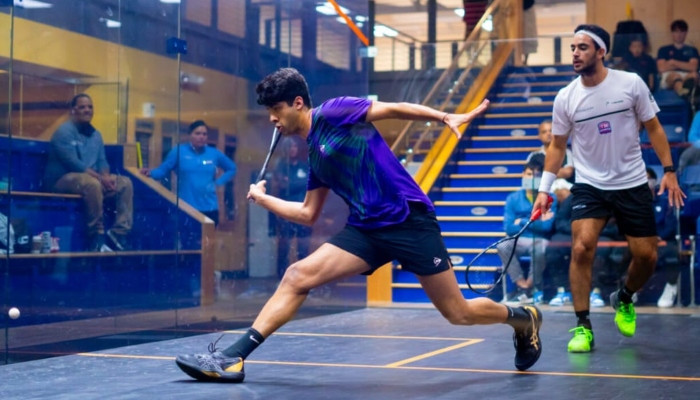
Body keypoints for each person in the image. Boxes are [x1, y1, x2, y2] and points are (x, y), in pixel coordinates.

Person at [175, 67, 543, 383]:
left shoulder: (334, 112)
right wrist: (262, 198)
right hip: (367, 230)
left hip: (409, 221)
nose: (272, 118)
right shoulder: (316, 155)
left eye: (276, 109)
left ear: (298, 103)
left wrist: (443, 117)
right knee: (297, 276)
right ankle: (232, 357)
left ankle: (522, 318)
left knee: (458, 313)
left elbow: (393, 108)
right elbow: (308, 213)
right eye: (269, 111)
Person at [532, 25, 685, 354]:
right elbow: (557, 146)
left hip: (632, 182)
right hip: (590, 184)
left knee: (647, 256)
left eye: (583, 47)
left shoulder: (630, 84)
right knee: (581, 248)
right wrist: (545, 189)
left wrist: (669, 171)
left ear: (601, 52)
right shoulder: (566, 97)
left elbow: (654, 128)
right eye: (573, 47)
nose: (575, 53)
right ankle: (583, 326)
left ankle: (624, 297)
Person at [44, 93, 133, 252]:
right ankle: (96, 235)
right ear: (73, 110)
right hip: (62, 179)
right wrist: (100, 179)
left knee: (124, 183)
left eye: (90, 107)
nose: (87, 110)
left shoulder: (96, 135)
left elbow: (102, 161)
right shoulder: (64, 132)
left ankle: (118, 233)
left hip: (91, 178)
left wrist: (106, 177)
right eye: (82, 107)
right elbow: (74, 164)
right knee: (92, 184)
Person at [140, 120, 236, 227]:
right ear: (190, 135)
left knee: (207, 238)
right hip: (186, 207)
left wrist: (218, 182)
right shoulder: (178, 151)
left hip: (209, 207)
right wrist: (150, 173)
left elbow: (232, 168)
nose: (201, 137)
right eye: (197, 133)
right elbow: (162, 171)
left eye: (204, 134)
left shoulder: (214, 153)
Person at [546, 179, 622, 308]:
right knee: (554, 247)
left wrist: (593, 231)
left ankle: (596, 291)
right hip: (573, 233)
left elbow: (618, 224)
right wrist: (579, 230)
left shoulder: (612, 197)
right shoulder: (575, 196)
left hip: (602, 234)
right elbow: (560, 221)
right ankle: (562, 290)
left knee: (602, 249)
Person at [500, 161, 556, 305]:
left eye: (537, 175)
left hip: (540, 239)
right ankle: (522, 285)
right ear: (523, 175)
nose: (532, 178)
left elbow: (547, 227)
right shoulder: (513, 198)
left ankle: (529, 286)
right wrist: (536, 221)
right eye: (529, 174)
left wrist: (521, 221)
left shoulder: (551, 198)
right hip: (518, 239)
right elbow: (508, 228)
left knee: (539, 248)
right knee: (503, 246)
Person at [272, 136, 312, 278]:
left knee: (303, 248)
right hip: (286, 213)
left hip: (303, 212)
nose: (292, 149)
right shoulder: (281, 166)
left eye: (294, 146)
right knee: (284, 247)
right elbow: (283, 186)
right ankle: (281, 278)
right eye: (289, 146)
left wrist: (292, 183)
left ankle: (303, 278)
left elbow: (309, 184)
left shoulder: (304, 166)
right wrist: (299, 183)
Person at [645, 167, 683, 308]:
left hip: (663, 240)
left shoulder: (665, 201)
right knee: (622, 252)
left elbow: (671, 224)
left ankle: (671, 287)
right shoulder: (633, 203)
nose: (646, 182)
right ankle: (630, 289)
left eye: (649, 179)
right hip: (642, 241)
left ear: (654, 181)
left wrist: (658, 237)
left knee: (671, 251)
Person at [656, 19, 699, 97]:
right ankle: (683, 93)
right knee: (675, 76)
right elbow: (662, 68)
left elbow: (693, 67)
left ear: (686, 33)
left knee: (694, 75)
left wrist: (673, 62)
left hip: (687, 75)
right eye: (676, 31)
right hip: (669, 76)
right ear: (672, 33)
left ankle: (690, 93)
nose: (679, 34)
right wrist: (685, 65)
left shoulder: (692, 50)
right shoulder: (663, 50)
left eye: (681, 31)